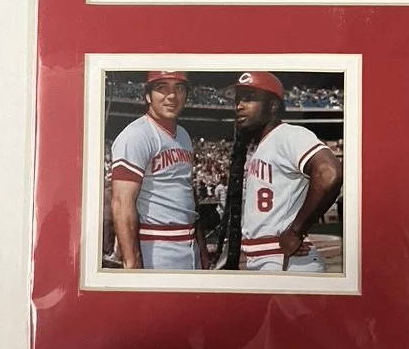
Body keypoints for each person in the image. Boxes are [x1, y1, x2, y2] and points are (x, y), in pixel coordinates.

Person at [218, 71, 342, 272]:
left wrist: (296, 231)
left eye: (249, 98)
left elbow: (329, 173)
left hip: (286, 259)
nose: (239, 105)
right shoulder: (263, 146)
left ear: (273, 106)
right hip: (269, 257)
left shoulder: (288, 134)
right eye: (238, 99)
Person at [109, 71, 208, 270]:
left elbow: (188, 195)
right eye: (162, 88)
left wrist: (202, 249)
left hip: (189, 244)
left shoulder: (183, 136)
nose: (172, 96)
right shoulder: (136, 135)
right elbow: (121, 203)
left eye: (179, 88)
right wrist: (132, 263)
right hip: (155, 245)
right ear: (148, 96)